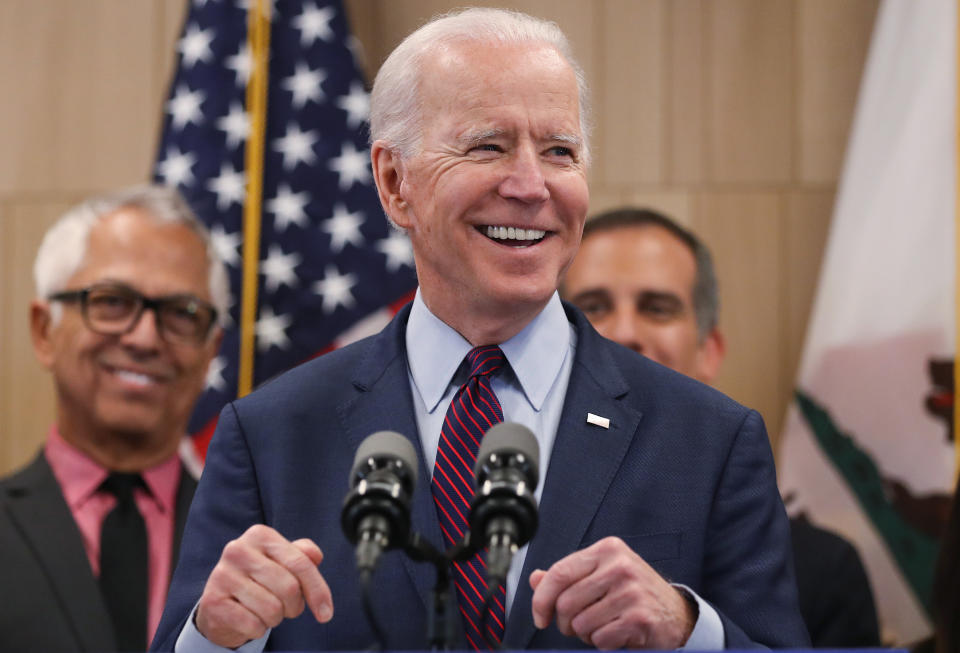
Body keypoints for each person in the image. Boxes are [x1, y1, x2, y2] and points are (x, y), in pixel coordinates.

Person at [152, 8, 807, 652]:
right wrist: (214, 639)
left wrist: (689, 631)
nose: (531, 185)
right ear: (393, 181)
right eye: (488, 146)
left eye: (559, 151)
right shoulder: (269, 436)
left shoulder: (712, 441)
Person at [563, 206, 881, 647]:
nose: (625, 332)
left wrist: (688, 630)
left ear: (709, 350)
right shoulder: (509, 524)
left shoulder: (823, 568)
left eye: (657, 308)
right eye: (594, 306)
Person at [0, 185, 227, 652]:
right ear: (45, 331)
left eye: (181, 313)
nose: (145, 338)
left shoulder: (253, 544)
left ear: (210, 354)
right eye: (111, 302)